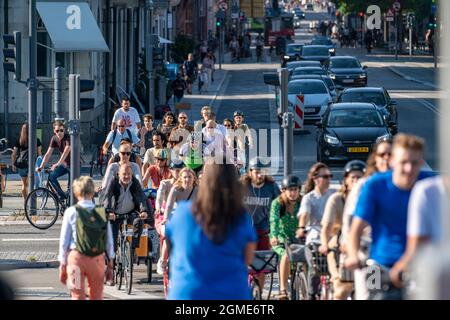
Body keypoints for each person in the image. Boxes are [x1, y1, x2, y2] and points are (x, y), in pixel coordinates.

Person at [345, 134, 434, 300]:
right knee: (370, 295)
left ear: (422, 162)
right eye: (403, 162)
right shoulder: (375, 185)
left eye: (414, 163)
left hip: (419, 266)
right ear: (393, 161)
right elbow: (356, 228)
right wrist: (352, 254)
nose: (408, 169)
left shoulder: (428, 186)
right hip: (379, 265)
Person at [165, 162, 257, 299]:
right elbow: (248, 257)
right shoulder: (240, 217)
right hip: (231, 293)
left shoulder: (182, 213)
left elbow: (172, 245)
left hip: (188, 293)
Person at [341, 137, 393, 300]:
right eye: (382, 154)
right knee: (371, 295)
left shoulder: (407, 185)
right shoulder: (365, 185)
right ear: (375, 159)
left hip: (399, 257)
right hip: (370, 254)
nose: (386, 158)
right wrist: (352, 251)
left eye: (391, 154)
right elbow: (351, 222)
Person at [58, 176, 115, 300]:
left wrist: (62, 263)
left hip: (77, 260)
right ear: (92, 192)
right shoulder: (101, 212)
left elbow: (64, 241)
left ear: (76, 192)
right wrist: (110, 262)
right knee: (96, 295)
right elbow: (109, 240)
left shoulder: (71, 212)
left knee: (77, 294)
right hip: (97, 260)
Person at [387, 175, 448, 290]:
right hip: (431, 279)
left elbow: (416, 246)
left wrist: (401, 266)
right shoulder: (426, 190)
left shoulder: (425, 189)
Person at [320, 160, 366, 300]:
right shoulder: (336, 200)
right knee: (341, 292)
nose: (356, 181)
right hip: (342, 252)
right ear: (346, 180)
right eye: (353, 177)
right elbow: (326, 228)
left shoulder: (371, 199)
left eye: (360, 177)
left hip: (368, 253)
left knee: (375, 291)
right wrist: (324, 244)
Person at [297, 162, 335, 300]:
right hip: (315, 239)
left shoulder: (334, 195)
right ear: (315, 179)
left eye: (330, 176)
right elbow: (304, 215)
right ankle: (311, 295)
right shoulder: (309, 198)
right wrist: (301, 228)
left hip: (332, 240)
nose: (329, 179)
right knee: (315, 269)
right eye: (325, 176)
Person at [241, 157, 281, 288]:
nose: (260, 174)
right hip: (245, 231)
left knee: (262, 265)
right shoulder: (242, 186)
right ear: (250, 172)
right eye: (257, 171)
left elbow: (281, 205)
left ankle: (259, 295)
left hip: (263, 230)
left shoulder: (272, 187)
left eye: (263, 171)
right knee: (243, 263)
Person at [157, 167, 198, 275]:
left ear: (194, 178)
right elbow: (169, 206)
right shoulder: (176, 189)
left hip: (191, 218)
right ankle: (163, 260)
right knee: (168, 234)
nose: (187, 179)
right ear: (180, 178)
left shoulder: (198, 190)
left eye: (189, 177)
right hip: (176, 216)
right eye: (185, 177)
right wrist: (165, 218)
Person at [103, 163, 152, 251]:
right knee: (112, 241)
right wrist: (109, 211)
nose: (127, 176)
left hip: (131, 213)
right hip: (115, 214)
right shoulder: (114, 181)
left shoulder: (134, 182)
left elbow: (141, 197)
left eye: (129, 174)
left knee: (139, 222)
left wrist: (143, 210)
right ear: (119, 174)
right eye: (124, 174)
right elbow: (107, 196)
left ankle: (133, 248)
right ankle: (112, 258)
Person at [269, 175, 302, 300]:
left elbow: (308, 218)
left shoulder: (302, 202)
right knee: (286, 255)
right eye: (290, 190)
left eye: (295, 190)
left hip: (298, 239)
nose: (293, 193)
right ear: (283, 190)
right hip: (281, 239)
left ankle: (307, 287)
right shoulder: (278, 203)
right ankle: (283, 290)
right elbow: (274, 221)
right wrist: (275, 236)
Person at [37, 121, 71, 200]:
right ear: (54, 131)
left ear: (64, 130)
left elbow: (67, 149)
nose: (59, 133)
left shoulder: (68, 137)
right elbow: (48, 153)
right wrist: (41, 167)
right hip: (64, 164)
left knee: (71, 188)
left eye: (61, 130)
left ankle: (71, 203)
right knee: (52, 176)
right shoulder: (54, 138)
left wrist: (58, 163)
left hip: (74, 165)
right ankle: (62, 195)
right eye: (57, 131)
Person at [11, 123, 42, 201]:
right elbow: (39, 154)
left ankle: (25, 202)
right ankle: (32, 202)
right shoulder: (36, 139)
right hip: (32, 165)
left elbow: (14, 154)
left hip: (22, 164)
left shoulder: (20, 140)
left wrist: (13, 164)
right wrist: (41, 165)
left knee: (24, 185)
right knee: (32, 184)